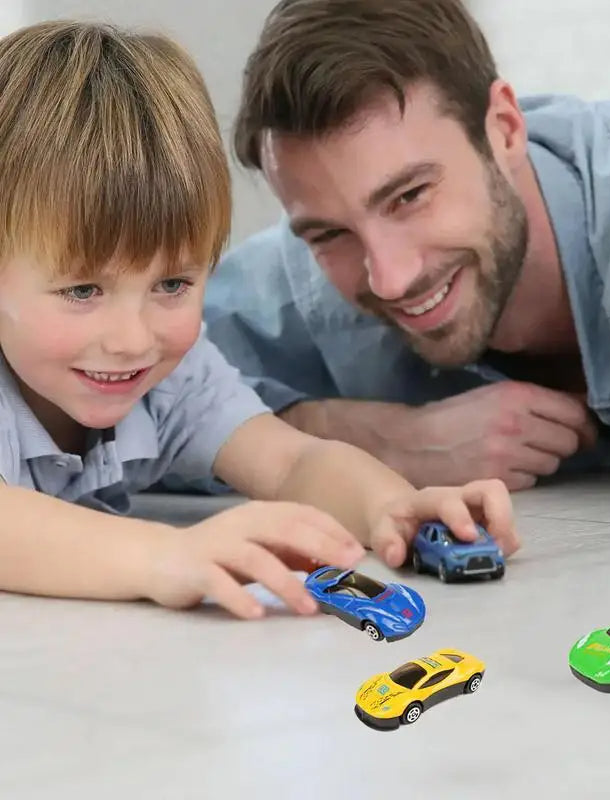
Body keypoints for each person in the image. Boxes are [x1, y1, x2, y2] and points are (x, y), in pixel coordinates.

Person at [204, 0, 610, 644]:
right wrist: (366, 439)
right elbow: (117, 392)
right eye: (329, 234)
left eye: (410, 196)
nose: (390, 276)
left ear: (505, 128)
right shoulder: (298, 280)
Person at [0, 19, 518, 621]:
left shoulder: (174, 376)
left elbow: (290, 460)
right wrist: (164, 555)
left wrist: (392, 506)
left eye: (173, 284)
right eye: (83, 289)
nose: (132, 339)